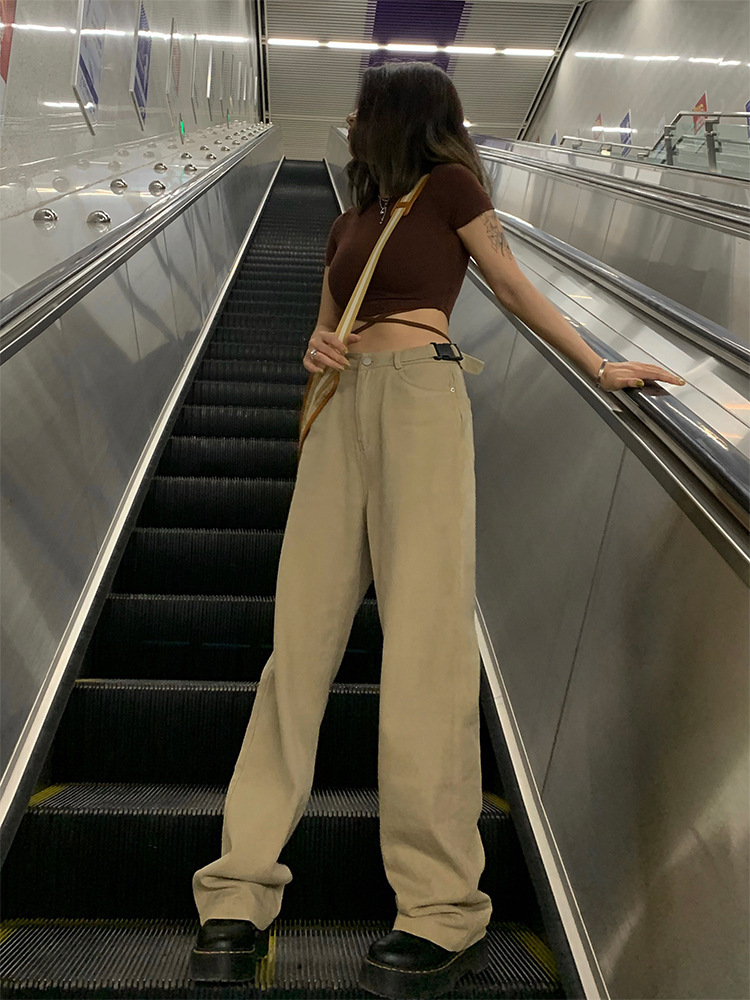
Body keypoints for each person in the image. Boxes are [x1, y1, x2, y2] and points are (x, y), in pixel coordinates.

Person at [189, 60, 686, 1000]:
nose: (348, 121)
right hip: (338, 414)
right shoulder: (347, 222)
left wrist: (599, 363)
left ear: (396, 115)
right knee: (296, 652)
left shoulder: (453, 188)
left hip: (422, 399)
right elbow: (325, 332)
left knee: (425, 653)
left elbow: (511, 283)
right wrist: (316, 349)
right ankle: (237, 895)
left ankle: (440, 910)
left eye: (361, 109)